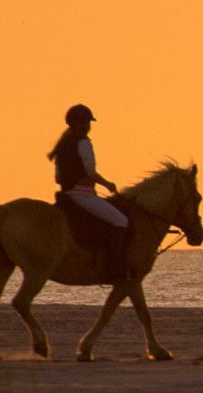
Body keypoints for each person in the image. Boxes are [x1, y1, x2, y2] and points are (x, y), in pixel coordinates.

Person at [48, 104, 131, 276]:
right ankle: (114, 266)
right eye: (88, 122)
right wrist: (108, 184)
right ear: (83, 124)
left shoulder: (62, 145)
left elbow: (57, 178)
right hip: (83, 195)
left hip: (66, 195)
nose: (89, 126)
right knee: (121, 221)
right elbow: (91, 173)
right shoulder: (84, 143)